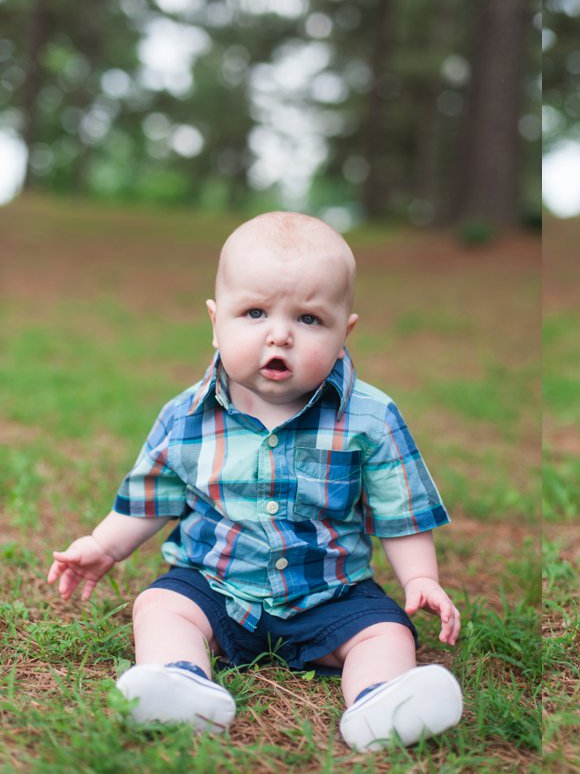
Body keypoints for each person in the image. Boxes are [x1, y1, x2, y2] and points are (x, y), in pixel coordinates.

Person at [48, 211, 463, 753]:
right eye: (255, 312)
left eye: (310, 319)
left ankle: (382, 702)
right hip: (216, 587)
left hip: (331, 594)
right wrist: (103, 544)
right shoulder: (187, 417)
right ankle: (182, 683)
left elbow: (400, 511)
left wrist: (420, 580)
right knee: (160, 607)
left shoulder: (370, 418)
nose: (280, 334)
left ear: (345, 331)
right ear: (216, 322)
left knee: (385, 632)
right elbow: (152, 496)